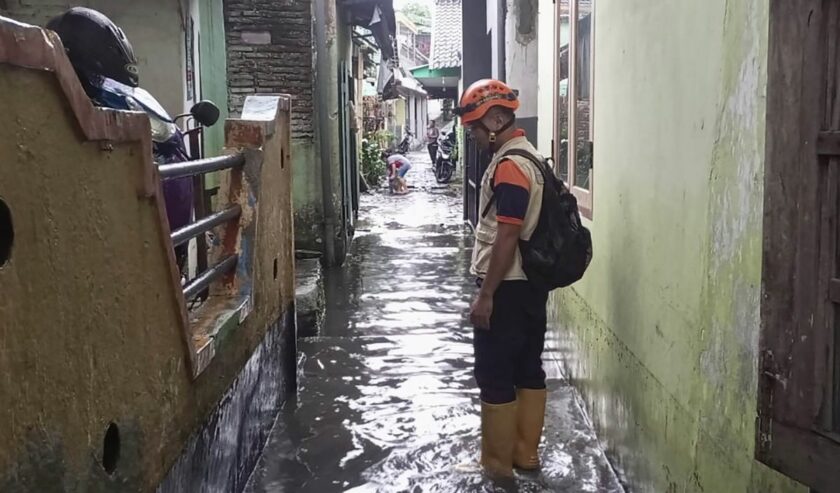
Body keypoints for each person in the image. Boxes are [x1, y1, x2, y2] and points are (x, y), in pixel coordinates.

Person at [455, 79, 548, 478]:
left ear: (495, 120)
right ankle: (525, 457)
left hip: (506, 290)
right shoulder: (533, 158)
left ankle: (496, 469)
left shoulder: (510, 166)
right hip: (531, 288)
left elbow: (508, 234)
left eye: (475, 127)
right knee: (529, 369)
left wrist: (486, 296)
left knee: (494, 374)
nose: (473, 136)